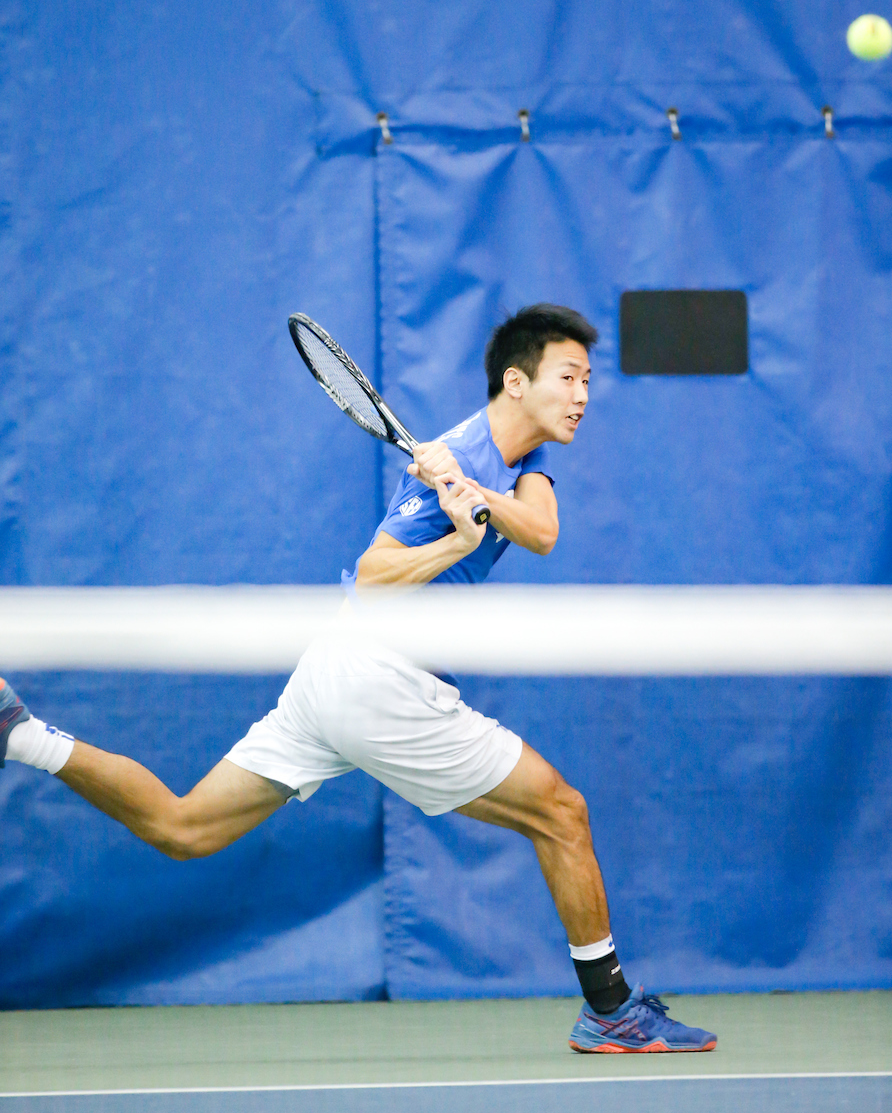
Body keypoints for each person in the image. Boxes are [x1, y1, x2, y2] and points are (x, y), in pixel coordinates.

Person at [0, 304, 716, 1053]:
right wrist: (453, 536)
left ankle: (22, 736)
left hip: (334, 677)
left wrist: (473, 496)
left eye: (588, 381)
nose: (582, 396)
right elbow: (373, 580)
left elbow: (539, 532)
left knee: (184, 829)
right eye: (568, 377)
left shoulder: (517, 470)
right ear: (516, 380)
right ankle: (608, 1008)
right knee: (560, 813)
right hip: (378, 675)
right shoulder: (460, 448)